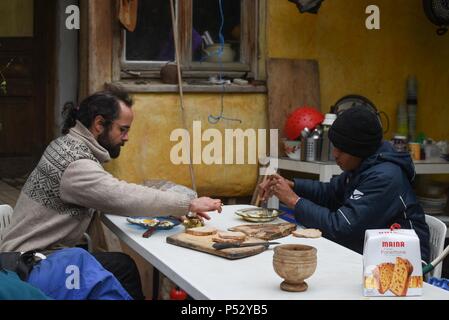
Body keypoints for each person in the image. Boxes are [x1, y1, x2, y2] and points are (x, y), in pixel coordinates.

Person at [0, 90, 223, 299]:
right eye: (123, 129)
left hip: (26, 256)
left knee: (121, 265)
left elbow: (110, 190)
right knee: (122, 270)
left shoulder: (67, 144)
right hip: (29, 267)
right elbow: (121, 195)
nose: (126, 138)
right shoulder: (75, 163)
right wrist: (188, 203)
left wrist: (169, 208)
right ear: (99, 124)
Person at [260, 107, 430, 262]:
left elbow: (340, 228)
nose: (334, 154)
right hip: (370, 254)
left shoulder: (385, 177)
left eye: (341, 149)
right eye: (335, 146)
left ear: (359, 149)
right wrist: (292, 185)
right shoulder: (364, 164)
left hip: (405, 265)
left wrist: (293, 201)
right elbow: (330, 192)